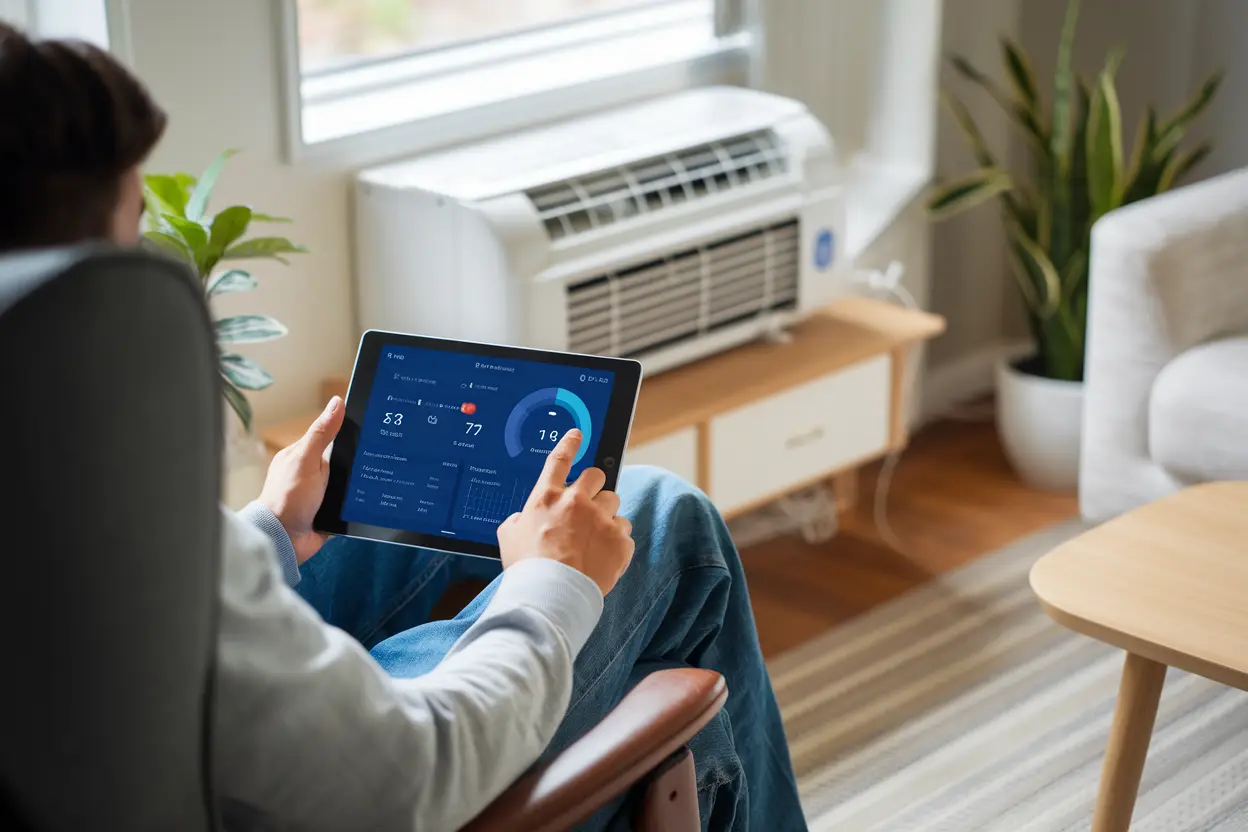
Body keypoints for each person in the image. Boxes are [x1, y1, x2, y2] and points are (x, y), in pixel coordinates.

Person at [0, 22, 807, 832]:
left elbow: (175, 609)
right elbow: (416, 775)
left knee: (390, 499)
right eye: (135, 227)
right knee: (666, 522)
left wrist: (270, 534)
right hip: (384, 781)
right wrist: (550, 584)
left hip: (192, 710)